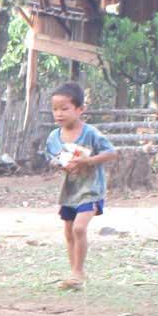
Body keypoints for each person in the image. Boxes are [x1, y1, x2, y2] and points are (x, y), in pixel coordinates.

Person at [45, 81, 118, 290]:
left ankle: (78, 272)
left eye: (64, 109)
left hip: (90, 190)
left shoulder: (91, 134)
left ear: (80, 109)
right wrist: (61, 164)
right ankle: (75, 274)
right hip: (69, 191)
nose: (59, 114)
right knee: (68, 231)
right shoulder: (53, 137)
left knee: (79, 228)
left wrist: (88, 161)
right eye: (55, 109)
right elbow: (51, 158)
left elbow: (112, 153)